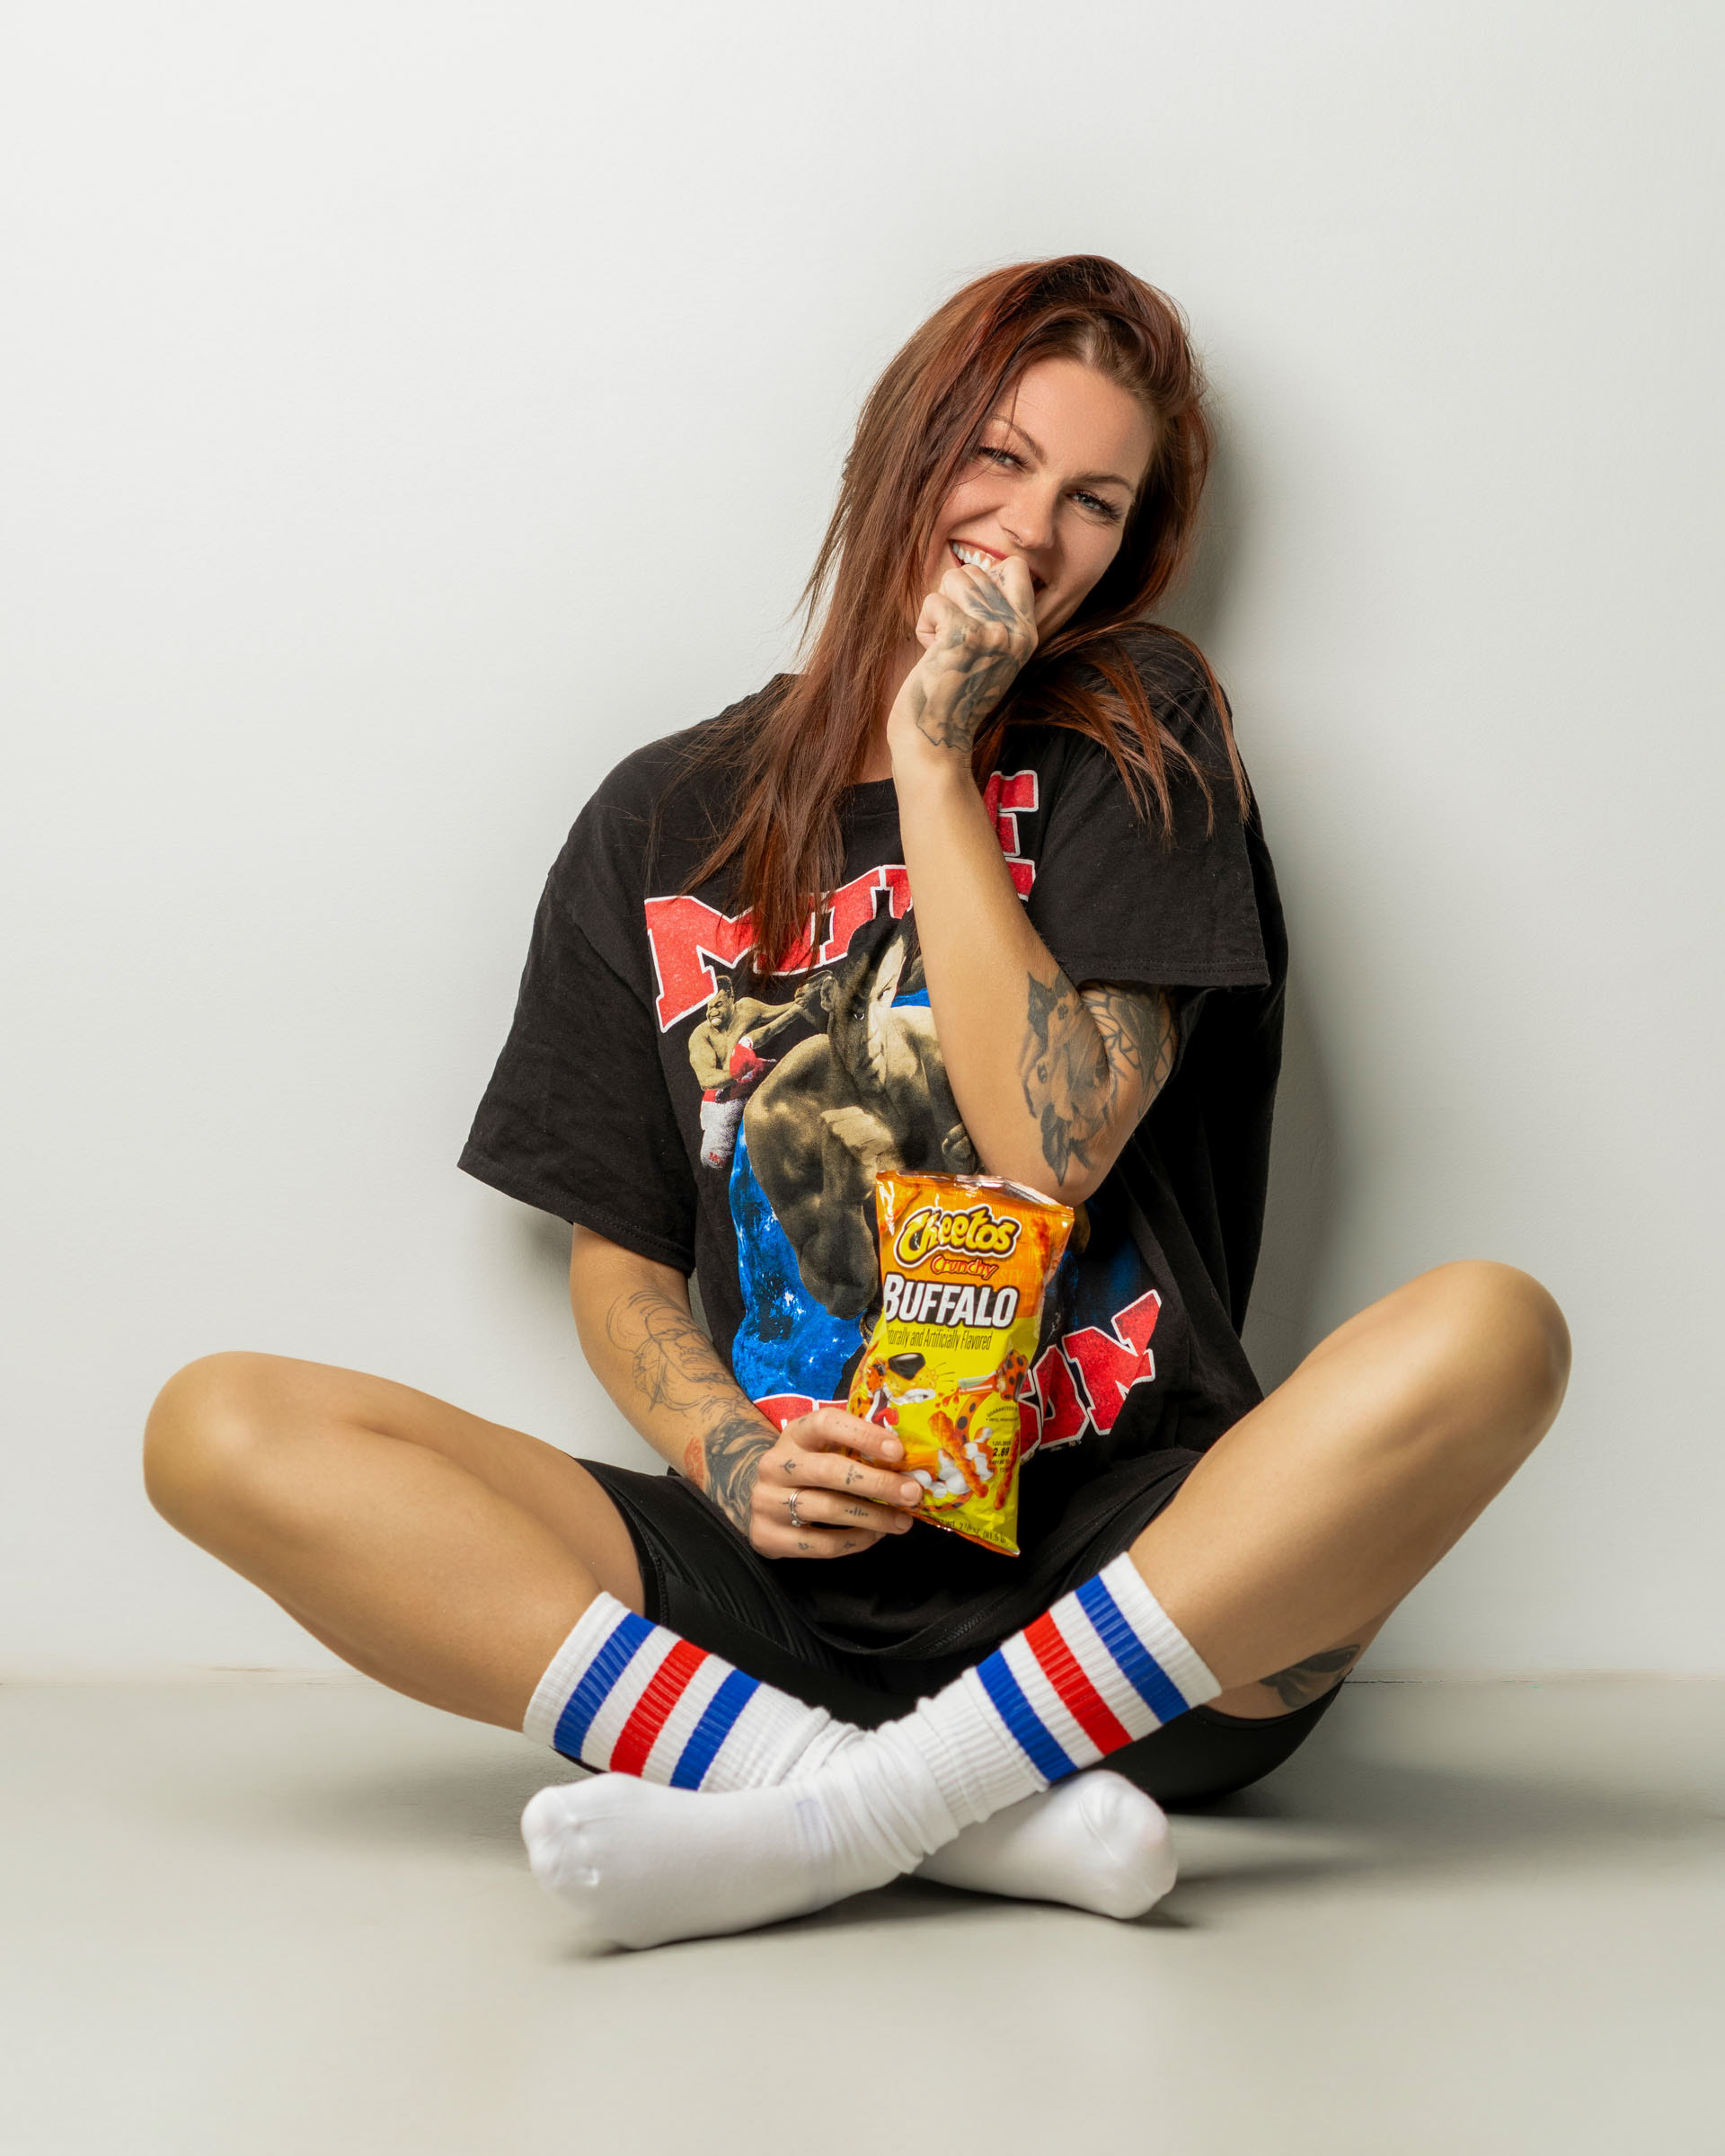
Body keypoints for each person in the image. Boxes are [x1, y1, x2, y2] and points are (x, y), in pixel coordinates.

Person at [142, 255, 1570, 1950]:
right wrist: (730, 1455)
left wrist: (940, 753)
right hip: (775, 1603)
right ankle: (913, 1805)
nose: (1032, 530)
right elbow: (621, 1264)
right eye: (999, 457)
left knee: (1497, 1332)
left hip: (1141, 1597)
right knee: (218, 1426)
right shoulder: (655, 819)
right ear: (903, 447)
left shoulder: (1139, 734)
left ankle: (839, 1814)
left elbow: (1054, 1145)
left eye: (1095, 500)